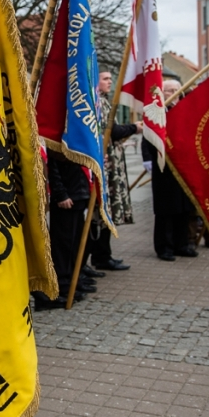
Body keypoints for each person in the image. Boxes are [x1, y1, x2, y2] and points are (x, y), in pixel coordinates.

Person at [87, 70, 138, 272]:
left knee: (106, 213)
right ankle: (97, 257)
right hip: (103, 164)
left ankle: (104, 255)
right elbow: (111, 131)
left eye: (110, 79)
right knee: (99, 213)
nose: (109, 82)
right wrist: (135, 127)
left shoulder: (105, 101)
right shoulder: (96, 102)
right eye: (105, 79)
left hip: (112, 163)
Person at [142, 79, 197, 261]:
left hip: (184, 167)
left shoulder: (185, 112)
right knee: (167, 209)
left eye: (176, 90)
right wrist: (148, 160)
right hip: (164, 167)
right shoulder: (156, 113)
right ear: (162, 93)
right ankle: (164, 247)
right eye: (169, 90)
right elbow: (147, 138)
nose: (173, 93)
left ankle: (181, 244)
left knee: (184, 208)